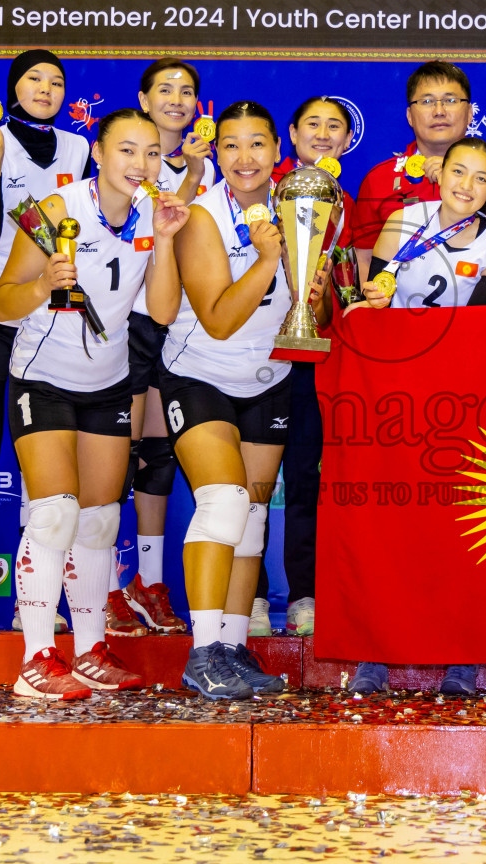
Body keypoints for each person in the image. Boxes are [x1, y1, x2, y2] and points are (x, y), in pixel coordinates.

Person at [0, 108, 175, 699]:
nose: (140, 164)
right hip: (42, 378)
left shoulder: (156, 213)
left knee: (99, 522)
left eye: (151, 153)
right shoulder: (56, 210)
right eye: (126, 150)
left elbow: (165, 312)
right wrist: (44, 283)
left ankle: (91, 649)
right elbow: (2, 303)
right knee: (53, 514)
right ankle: (36, 658)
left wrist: (168, 241)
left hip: (109, 384)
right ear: (98, 152)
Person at [153, 101, 323, 700]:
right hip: (200, 372)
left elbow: (306, 313)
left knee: (251, 525)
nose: (245, 158)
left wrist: (316, 289)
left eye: (257, 144)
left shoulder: (303, 209)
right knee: (224, 503)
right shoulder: (202, 216)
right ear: (216, 152)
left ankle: (232, 650)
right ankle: (200, 654)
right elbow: (220, 320)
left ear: (279, 150)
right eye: (230, 146)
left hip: (267, 378)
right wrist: (271, 259)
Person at [348, 136, 486, 697]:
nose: (466, 187)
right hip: (395, 393)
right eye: (458, 173)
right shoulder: (403, 219)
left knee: (458, 530)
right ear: (439, 172)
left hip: (460, 399)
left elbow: (483, 322)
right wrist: (371, 300)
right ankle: (377, 651)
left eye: (481, 179)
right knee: (392, 526)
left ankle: (459, 653)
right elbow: (378, 296)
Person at [0, 50, 91, 637]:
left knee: (42, 461)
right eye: (34, 79)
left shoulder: (81, 151)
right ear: (12, 87)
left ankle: (38, 597)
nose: (47, 89)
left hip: (47, 317)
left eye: (57, 82)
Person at [110, 57, 215, 639]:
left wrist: (195, 172)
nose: (177, 98)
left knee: (157, 456)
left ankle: (148, 584)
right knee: (112, 461)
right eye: (165, 89)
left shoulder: (202, 164)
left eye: (188, 90)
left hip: (168, 325)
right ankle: (99, 586)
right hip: (117, 324)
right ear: (144, 98)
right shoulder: (116, 158)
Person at [254, 96, 361, 638]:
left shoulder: (351, 206)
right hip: (253, 354)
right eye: (312, 124)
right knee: (249, 483)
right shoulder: (259, 195)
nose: (323, 133)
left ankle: (303, 594)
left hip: (319, 358)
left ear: (348, 139)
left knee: (304, 479)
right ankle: (247, 596)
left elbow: (356, 286)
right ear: (291, 135)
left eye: (334, 126)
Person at [350, 61, 486, 272]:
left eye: (450, 100)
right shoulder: (379, 177)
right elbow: (363, 257)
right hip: (397, 302)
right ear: (409, 116)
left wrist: (470, 191)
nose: (439, 111)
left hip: (484, 300)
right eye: (427, 101)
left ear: (470, 113)